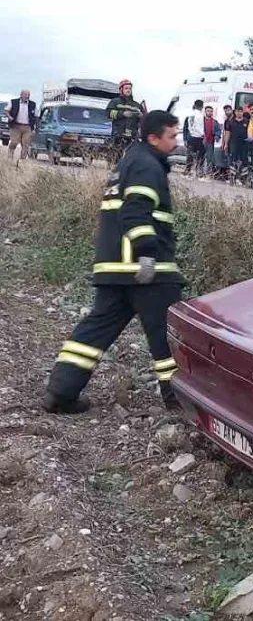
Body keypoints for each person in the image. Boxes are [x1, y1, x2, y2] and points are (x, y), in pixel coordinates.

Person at [43, 111, 185, 414]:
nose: (176, 143)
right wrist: (147, 254)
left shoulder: (127, 164)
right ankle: (179, 401)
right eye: (172, 136)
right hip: (145, 270)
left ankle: (60, 392)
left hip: (113, 269)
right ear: (153, 138)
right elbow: (135, 212)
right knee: (169, 336)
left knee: (94, 332)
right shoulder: (147, 165)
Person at [105, 80, 146, 163]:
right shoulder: (115, 102)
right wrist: (122, 114)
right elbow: (108, 113)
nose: (128, 90)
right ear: (121, 90)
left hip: (132, 137)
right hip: (118, 135)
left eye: (130, 88)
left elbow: (144, 120)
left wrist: (141, 116)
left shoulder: (136, 105)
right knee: (114, 160)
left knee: (133, 161)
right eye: (126, 88)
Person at [6, 89, 36, 161]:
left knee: (25, 144)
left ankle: (22, 160)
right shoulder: (13, 102)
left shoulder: (33, 104)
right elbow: (7, 110)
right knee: (14, 142)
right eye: (25, 94)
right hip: (16, 126)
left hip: (27, 127)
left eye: (27, 95)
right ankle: (10, 158)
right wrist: (9, 117)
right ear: (21, 95)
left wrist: (35, 127)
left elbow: (36, 116)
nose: (26, 96)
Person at [225, 106, 250, 181]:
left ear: (242, 112)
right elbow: (227, 133)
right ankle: (233, 177)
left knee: (244, 161)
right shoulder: (231, 122)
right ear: (235, 112)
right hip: (233, 143)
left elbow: (250, 133)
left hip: (244, 144)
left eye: (240, 111)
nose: (239, 113)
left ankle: (243, 179)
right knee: (233, 160)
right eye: (237, 111)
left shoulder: (247, 121)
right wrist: (226, 143)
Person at [184, 99, 206, 177]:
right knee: (201, 155)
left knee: (190, 154)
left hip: (191, 136)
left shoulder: (190, 114)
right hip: (198, 137)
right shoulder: (200, 115)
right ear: (202, 106)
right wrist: (203, 135)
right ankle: (199, 171)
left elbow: (189, 126)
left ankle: (187, 170)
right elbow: (200, 127)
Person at [201, 105, 222, 180]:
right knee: (201, 157)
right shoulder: (201, 120)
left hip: (210, 142)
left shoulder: (214, 122)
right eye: (208, 111)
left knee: (210, 158)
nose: (210, 112)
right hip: (202, 142)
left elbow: (218, 131)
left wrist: (217, 136)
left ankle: (208, 174)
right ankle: (200, 172)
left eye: (211, 111)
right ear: (205, 111)